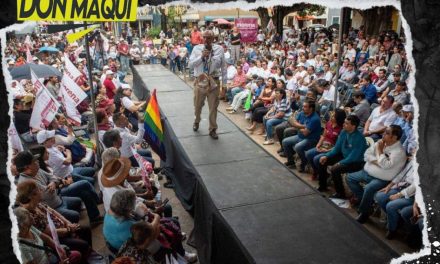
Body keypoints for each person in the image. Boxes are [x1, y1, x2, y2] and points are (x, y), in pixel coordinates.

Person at [16, 180, 102, 263]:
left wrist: (68, 223)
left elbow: (53, 212)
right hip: (58, 237)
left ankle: (89, 254)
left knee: (85, 230)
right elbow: (50, 234)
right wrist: (69, 230)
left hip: (63, 229)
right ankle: (86, 257)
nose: (41, 190)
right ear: (31, 196)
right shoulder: (28, 215)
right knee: (82, 244)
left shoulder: (37, 203)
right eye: (38, 189)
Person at [347, 125, 407, 223]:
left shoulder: (399, 152)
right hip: (366, 172)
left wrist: (379, 150)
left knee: (369, 188)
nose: (383, 134)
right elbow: (366, 154)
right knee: (350, 178)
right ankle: (366, 203)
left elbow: (386, 165)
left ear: (394, 137)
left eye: (387, 133)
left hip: (381, 179)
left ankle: (364, 212)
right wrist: (377, 161)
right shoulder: (381, 142)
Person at [317, 115, 367, 199]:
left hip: (355, 162)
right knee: (322, 160)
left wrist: (340, 163)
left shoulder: (360, 138)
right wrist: (326, 156)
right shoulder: (344, 132)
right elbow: (336, 148)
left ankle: (340, 193)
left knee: (335, 169)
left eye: (346, 123)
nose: (343, 124)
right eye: (344, 122)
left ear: (353, 126)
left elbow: (353, 157)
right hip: (344, 157)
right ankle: (323, 186)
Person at [189, 30, 226, 139]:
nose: (206, 40)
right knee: (197, 106)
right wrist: (201, 57)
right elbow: (190, 65)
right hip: (200, 81)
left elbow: (223, 68)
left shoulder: (219, 49)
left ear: (213, 38)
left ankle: (213, 129)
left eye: (209, 38)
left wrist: (224, 86)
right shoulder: (196, 49)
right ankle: (196, 121)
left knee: (213, 107)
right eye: (204, 37)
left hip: (214, 81)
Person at [15, 207, 81, 264]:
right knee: (76, 254)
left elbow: (47, 239)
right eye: (28, 215)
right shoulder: (22, 248)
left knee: (75, 254)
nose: (31, 215)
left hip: (49, 255)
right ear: (23, 225)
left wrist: (59, 249)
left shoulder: (30, 228)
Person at [305, 109, 346, 179]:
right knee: (308, 154)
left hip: (332, 149)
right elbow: (323, 136)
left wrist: (326, 151)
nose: (331, 116)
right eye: (332, 114)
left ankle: (323, 174)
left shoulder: (342, 129)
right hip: (323, 145)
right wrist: (318, 144)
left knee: (316, 159)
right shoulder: (329, 123)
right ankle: (316, 171)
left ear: (338, 118)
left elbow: (338, 146)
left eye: (333, 116)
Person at [282, 100, 321, 172]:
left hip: (311, 139)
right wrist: (303, 126)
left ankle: (304, 162)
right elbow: (292, 121)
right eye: (303, 106)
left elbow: (305, 133)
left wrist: (297, 126)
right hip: (300, 136)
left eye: (305, 107)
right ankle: (291, 162)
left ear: (311, 109)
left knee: (298, 147)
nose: (303, 108)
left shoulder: (315, 119)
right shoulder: (302, 113)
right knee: (285, 141)